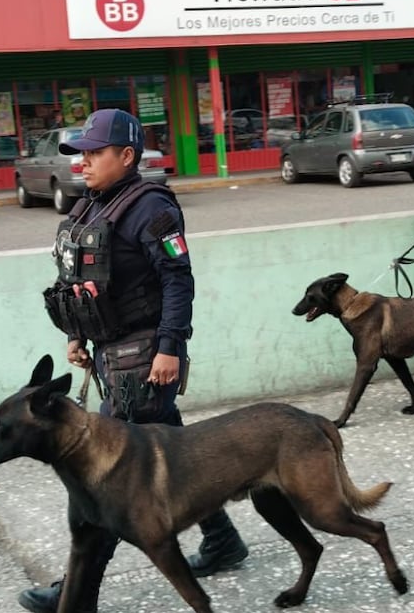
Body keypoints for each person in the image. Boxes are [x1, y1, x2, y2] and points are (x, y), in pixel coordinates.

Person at [21, 109, 247, 612]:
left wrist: (170, 347)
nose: (83, 162)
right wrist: (78, 335)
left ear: (126, 155)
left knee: (109, 477)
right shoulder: (93, 204)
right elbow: (85, 278)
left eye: (94, 153)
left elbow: (177, 280)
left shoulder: (151, 208)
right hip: (111, 353)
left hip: (144, 358)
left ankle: (75, 592)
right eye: (80, 154)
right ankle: (222, 540)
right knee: (180, 454)